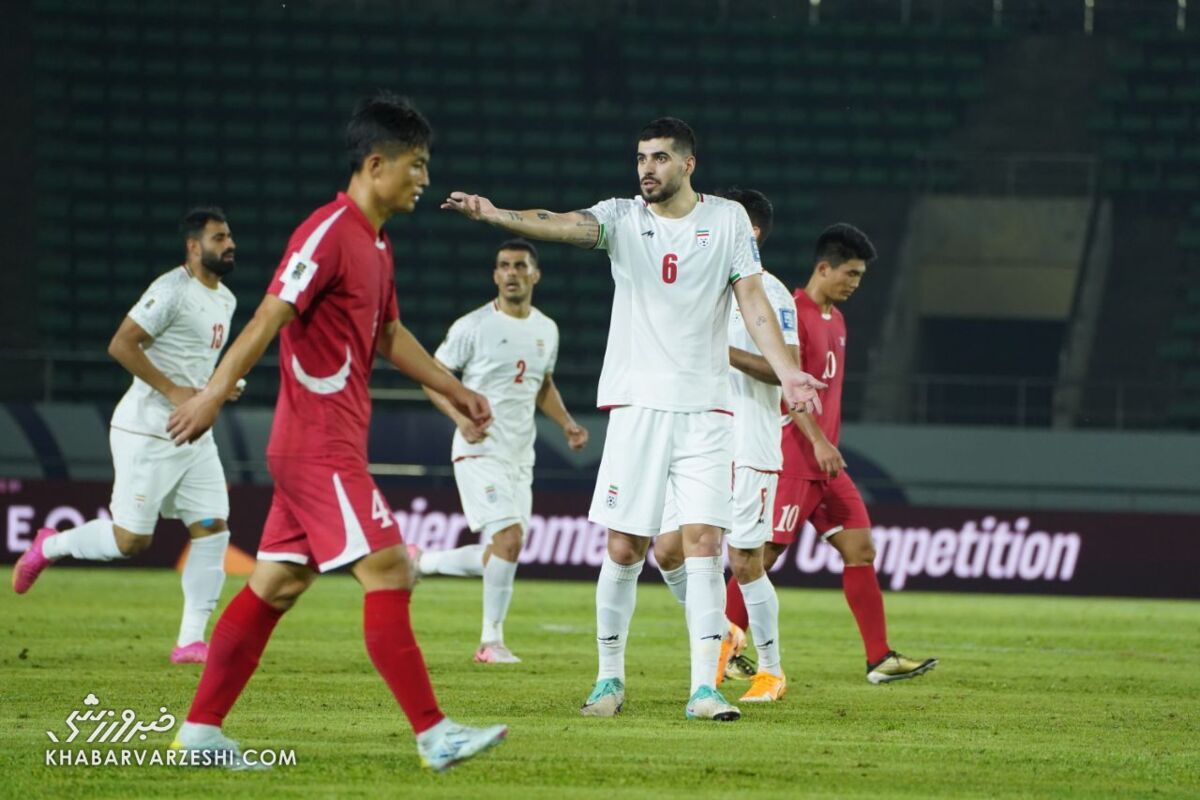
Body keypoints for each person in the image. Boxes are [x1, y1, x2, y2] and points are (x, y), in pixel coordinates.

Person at [163, 92, 507, 771]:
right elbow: (267, 316)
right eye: (417, 165)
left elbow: (389, 335)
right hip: (317, 444)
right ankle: (434, 733)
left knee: (275, 586)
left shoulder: (376, 243)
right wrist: (209, 396)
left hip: (323, 443)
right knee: (391, 567)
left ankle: (200, 731)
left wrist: (457, 390)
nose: (425, 180)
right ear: (377, 164)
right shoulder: (327, 232)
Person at [442, 117, 824, 722]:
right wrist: (498, 215)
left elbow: (752, 301)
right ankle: (608, 680)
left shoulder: (726, 221)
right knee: (625, 546)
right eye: (641, 157)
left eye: (660, 158)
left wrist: (789, 369)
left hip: (706, 409)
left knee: (704, 545)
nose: (647, 168)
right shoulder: (623, 218)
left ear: (688, 164)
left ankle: (704, 689)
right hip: (638, 407)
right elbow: (563, 223)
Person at [13, 207, 242, 665]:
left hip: (194, 432)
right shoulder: (171, 290)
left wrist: (219, 389)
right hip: (148, 430)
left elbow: (194, 362)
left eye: (229, 235)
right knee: (130, 542)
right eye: (219, 238)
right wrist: (175, 391)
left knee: (213, 527)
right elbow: (121, 343)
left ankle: (191, 641)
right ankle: (50, 544)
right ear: (194, 247)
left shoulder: (227, 300)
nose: (229, 244)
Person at [727, 223, 938, 684]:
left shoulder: (837, 320)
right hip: (796, 458)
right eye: (851, 273)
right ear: (824, 268)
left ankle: (879, 658)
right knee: (760, 558)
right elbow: (787, 387)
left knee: (860, 549)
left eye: (860, 276)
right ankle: (722, 646)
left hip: (826, 462)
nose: (855, 284)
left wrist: (828, 445)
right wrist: (819, 441)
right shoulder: (792, 312)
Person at [417, 237, 588, 663]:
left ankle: (420, 562)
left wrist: (566, 423)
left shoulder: (547, 328)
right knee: (508, 540)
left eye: (519, 265)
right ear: (495, 275)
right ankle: (490, 642)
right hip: (479, 450)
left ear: (535, 274)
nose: (511, 272)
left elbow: (541, 385)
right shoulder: (473, 326)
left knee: (504, 551)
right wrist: (460, 421)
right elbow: (432, 376)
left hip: (520, 456)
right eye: (503, 266)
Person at [654, 188, 795, 703]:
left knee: (743, 561)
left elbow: (786, 369)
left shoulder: (771, 294)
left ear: (747, 232)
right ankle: (722, 633)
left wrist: (722, 348)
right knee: (667, 550)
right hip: (693, 439)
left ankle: (772, 671)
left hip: (748, 443)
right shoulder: (699, 288)